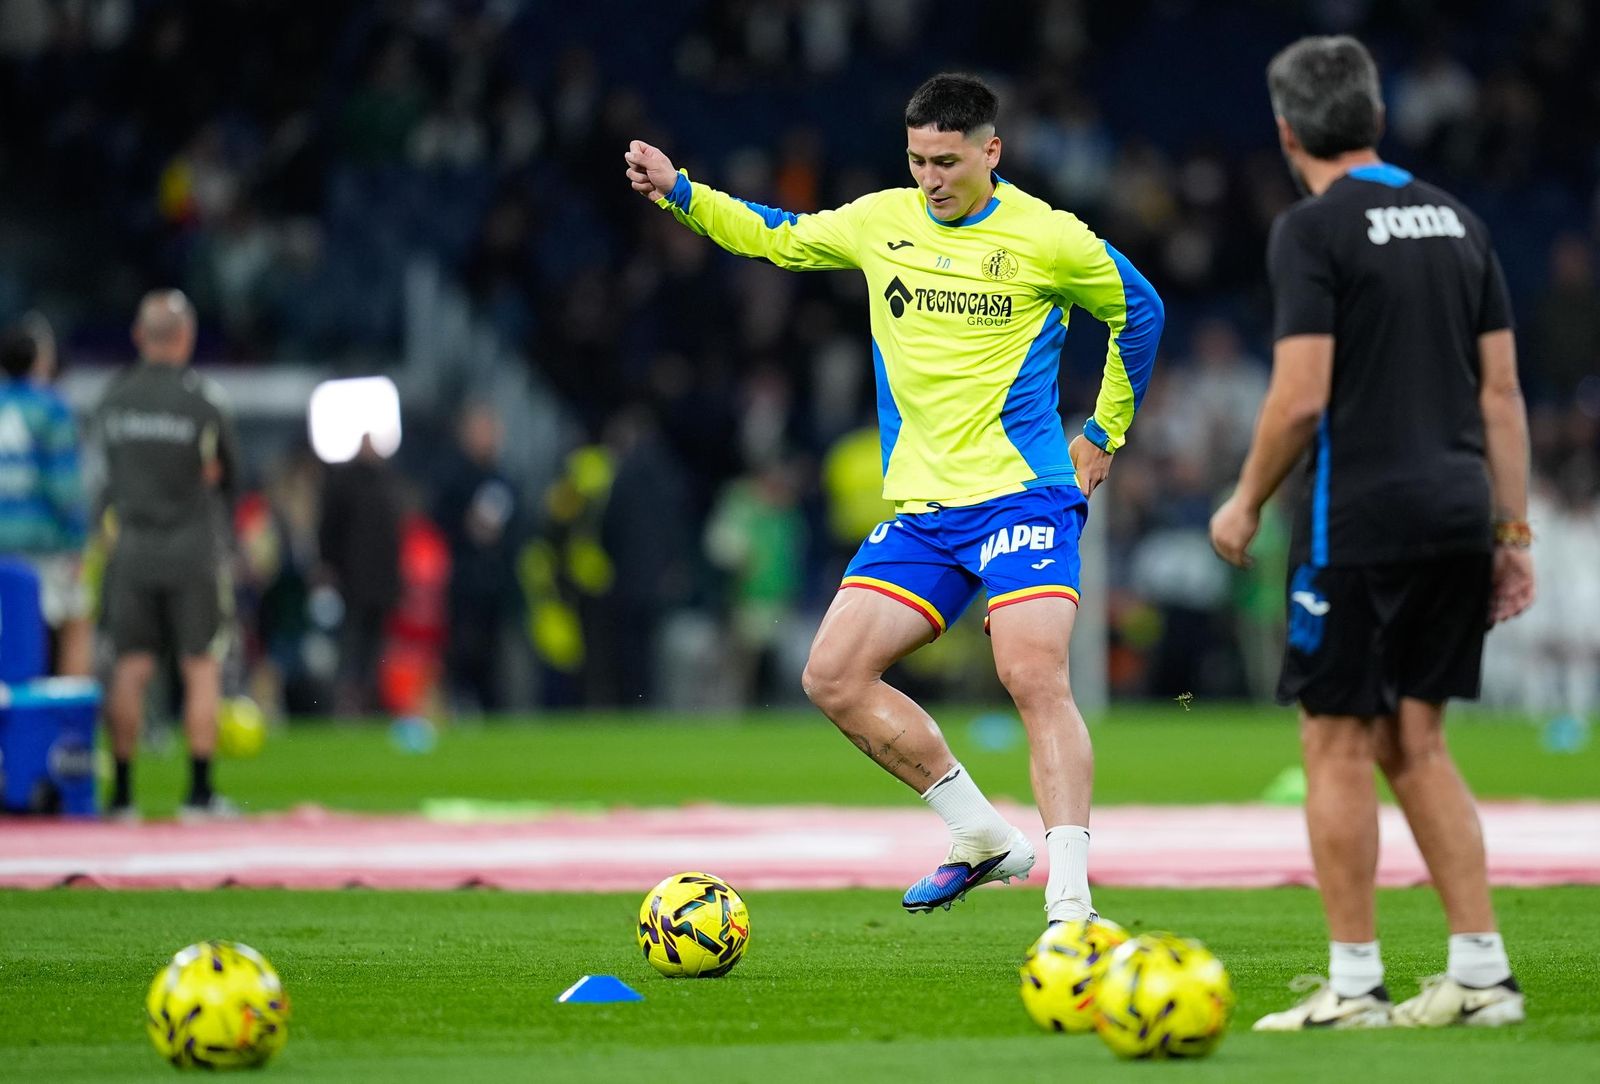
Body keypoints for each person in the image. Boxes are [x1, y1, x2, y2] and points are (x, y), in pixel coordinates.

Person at [625, 72, 1163, 923]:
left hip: (1024, 496)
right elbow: (778, 237)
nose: (931, 180)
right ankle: (980, 835)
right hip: (926, 511)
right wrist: (681, 194)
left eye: (947, 161)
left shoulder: (1049, 238)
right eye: (917, 160)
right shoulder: (883, 221)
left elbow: (1139, 310)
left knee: (1031, 673)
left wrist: (1102, 433)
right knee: (831, 675)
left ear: (992, 151)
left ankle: (1071, 907)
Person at [1209, 36, 1535, 1030]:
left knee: (1334, 741)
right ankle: (1479, 975)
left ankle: (1353, 987)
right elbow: (1502, 393)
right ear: (1376, 118)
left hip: (1354, 519)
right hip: (1457, 511)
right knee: (1417, 742)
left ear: (1284, 129)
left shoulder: (1311, 230)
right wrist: (1511, 531)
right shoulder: (1459, 220)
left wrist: (1245, 498)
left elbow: (1299, 397)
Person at [95, 290, 242, 820]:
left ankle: (122, 796)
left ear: (140, 336)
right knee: (201, 668)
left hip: (131, 548)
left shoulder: (113, 398)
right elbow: (230, 475)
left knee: (130, 669)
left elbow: (106, 477)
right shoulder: (203, 400)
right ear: (186, 337)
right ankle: (199, 794)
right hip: (191, 551)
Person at [0, 315, 91, 676]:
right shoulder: (52, 408)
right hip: (44, 549)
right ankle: (70, 727)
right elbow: (64, 487)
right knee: (75, 624)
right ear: (40, 359)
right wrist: (77, 541)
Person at [317, 433, 402, 715]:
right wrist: (329, 566)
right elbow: (330, 530)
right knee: (350, 646)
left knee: (374, 649)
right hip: (353, 582)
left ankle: (370, 703)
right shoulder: (345, 482)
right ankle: (343, 705)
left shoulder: (387, 480)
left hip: (382, 583)